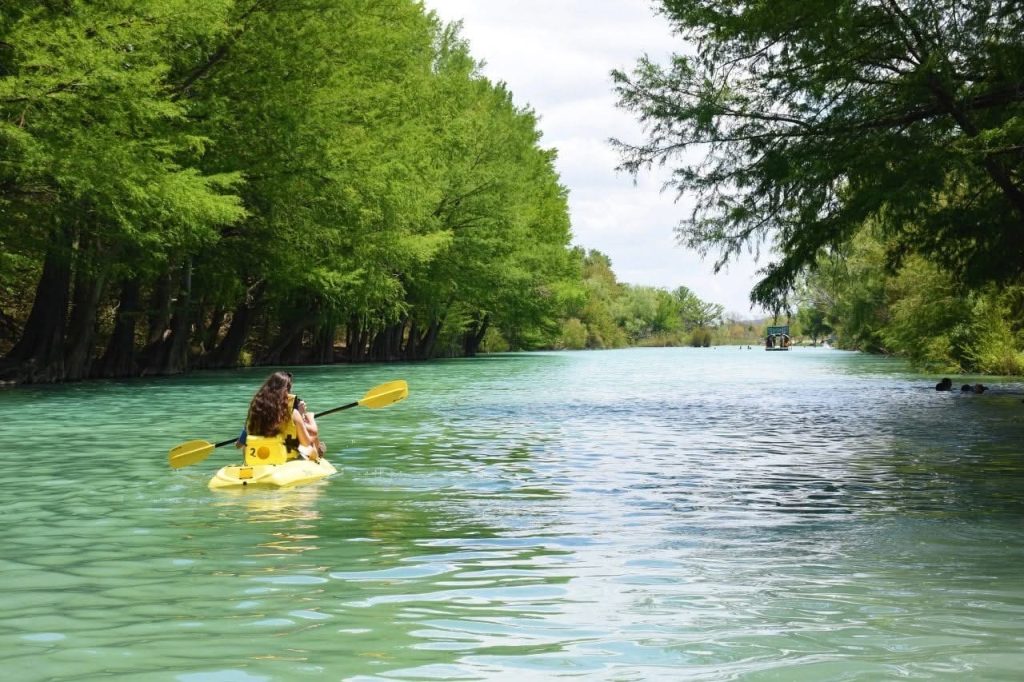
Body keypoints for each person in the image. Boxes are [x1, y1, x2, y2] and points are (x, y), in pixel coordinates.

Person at [238, 371, 321, 461]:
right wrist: (307, 416)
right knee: (312, 447)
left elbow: (240, 443)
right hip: (284, 458)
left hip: (257, 459)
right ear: (286, 391)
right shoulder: (291, 411)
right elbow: (306, 442)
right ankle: (319, 458)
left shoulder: (254, 410)